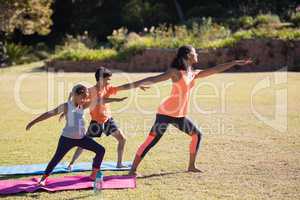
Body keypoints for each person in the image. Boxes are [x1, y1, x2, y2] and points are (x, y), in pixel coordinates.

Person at [125, 45, 252, 175]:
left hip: (179, 115)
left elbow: (214, 70)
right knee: (151, 141)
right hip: (165, 113)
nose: (197, 54)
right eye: (195, 52)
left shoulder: (192, 73)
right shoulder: (176, 72)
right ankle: (133, 170)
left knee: (197, 135)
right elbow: (155, 79)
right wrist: (139, 84)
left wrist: (234, 63)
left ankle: (191, 166)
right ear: (188, 55)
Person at [26, 84, 127, 185]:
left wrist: (116, 100)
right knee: (56, 158)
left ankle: (94, 174)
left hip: (81, 139)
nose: (84, 100)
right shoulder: (66, 106)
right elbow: (49, 114)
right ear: (75, 95)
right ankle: (43, 179)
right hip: (67, 139)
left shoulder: (82, 105)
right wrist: (33, 122)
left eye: (85, 98)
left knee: (101, 150)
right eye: (82, 97)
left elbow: (100, 100)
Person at [66, 67, 149, 170]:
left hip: (108, 120)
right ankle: (71, 163)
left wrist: (137, 85)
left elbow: (124, 87)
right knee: (84, 143)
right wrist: (70, 99)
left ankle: (119, 163)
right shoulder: (90, 91)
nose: (109, 81)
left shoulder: (108, 88)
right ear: (101, 79)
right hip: (96, 122)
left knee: (122, 139)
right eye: (108, 79)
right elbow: (96, 99)